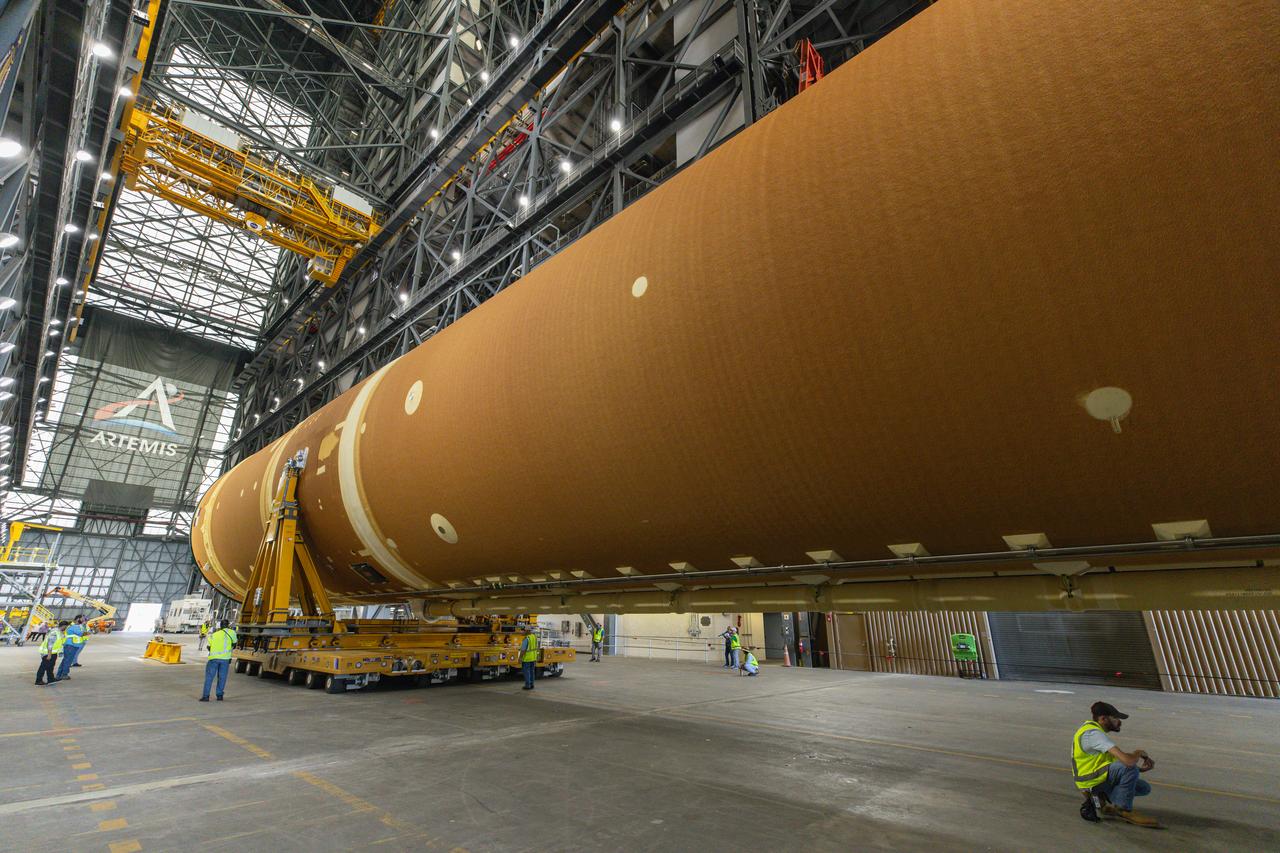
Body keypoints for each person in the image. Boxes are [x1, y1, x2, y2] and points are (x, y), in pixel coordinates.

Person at [1072, 701, 1158, 827]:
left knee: (1143, 788)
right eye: (1115, 718)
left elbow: (1112, 761)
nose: (1119, 722)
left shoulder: (1094, 732)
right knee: (1130, 767)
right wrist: (1139, 752)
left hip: (1093, 776)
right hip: (1089, 780)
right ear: (1103, 719)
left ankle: (1099, 801)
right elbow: (1128, 762)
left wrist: (1139, 770)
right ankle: (1123, 810)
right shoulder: (1093, 734)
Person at [200, 619, 237, 702]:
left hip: (213, 659)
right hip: (225, 659)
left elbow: (208, 647)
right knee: (222, 677)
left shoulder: (214, 635)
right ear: (228, 625)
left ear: (220, 626)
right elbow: (234, 644)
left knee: (209, 678)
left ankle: (206, 697)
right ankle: (219, 696)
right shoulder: (232, 633)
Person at [35, 621, 68, 686]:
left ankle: (51, 679)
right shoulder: (55, 633)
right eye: (66, 627)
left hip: (53, 652)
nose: (66, 628)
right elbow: (50, 644)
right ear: (63, 626)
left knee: (50, 667)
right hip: (48, 653)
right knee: (43, 667)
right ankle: (38, 681)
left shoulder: (58, 632)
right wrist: (49, 654)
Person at [56, 615, 87, 679]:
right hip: (71, 645)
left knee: (66, 660)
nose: (83, 620)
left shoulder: (75, 626)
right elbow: (82, 633)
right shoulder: (74, 626)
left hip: (72, 645)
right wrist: (87, 630)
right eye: (82, 619)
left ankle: (60, 674)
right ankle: (64, 674)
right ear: (78, 619)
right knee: (68, 660)